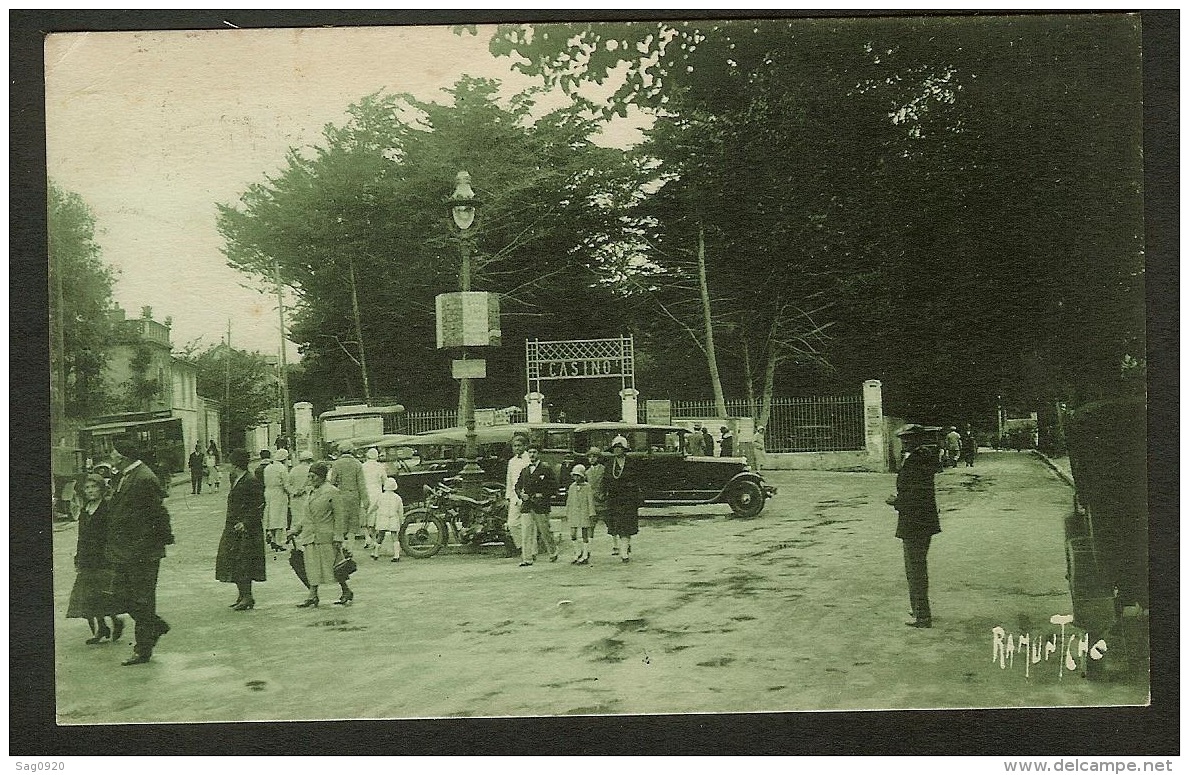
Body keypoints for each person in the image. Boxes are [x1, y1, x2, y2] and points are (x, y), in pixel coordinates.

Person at [105, 435, 174, 665]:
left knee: (142, 599)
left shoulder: (143, 478)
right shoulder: (126, 476)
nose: (110, 456)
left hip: (142, 553)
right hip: (126, 551)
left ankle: (143, 649)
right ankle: (156, 625)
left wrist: (143, 548)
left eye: (113, 452)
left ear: (123, 457)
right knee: (122, 596)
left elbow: (158, 516)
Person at [888, 424, 943, 629]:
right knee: (916, 567)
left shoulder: (916, 460)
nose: (903, 442)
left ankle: (922, 615)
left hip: (915, 521)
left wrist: (895, 501)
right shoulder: (923, 457)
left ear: (913, 440)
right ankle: (919, 608)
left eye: (905, 439)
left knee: (915, 568)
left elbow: (916, 495)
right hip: (922, 521)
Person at [65, 473, 126, 645]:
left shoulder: (107, 508)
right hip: (87, 558)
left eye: (94, 487)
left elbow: (114, 534)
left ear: (101, 489)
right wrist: (78, 556)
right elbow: (81, 536)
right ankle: (102, 627)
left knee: (103, 593)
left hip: (103, 558)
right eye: (87, 488)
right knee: (88, 595)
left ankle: (115, 621)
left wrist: (112, 554)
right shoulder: (84, 510)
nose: (91, 491)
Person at [288, 461, 346, 608]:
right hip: (310, 536)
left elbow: (339, 516)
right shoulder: (311, 492)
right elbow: (306, 515)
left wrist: (338, 536)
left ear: (322, 476)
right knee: (312, 567)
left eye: (314, 476)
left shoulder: (332, 491)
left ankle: (346, 590)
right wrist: (296, 529)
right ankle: (313, 595)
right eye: (309, 476)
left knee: (333, 567)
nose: (311, 479)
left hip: (326, 536)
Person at [215, 448, 266, 611]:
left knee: (244, 561)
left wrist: (246, 522)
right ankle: (241, 594)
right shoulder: (236, 478)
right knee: (232, 560)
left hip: (247, 529)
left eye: (231, 463)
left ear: (236, 465)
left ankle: (247, 596)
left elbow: (258, 504)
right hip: (233, 527)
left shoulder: (250, 480)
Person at [515, 443, 558, 567]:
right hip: (527, 505)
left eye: (534, 452)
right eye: (530, 452)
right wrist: (521, 495)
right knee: (526, 532)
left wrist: (542, 494)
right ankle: (527, 558)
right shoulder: (525, 470)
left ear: (539, 454)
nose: (532, 454)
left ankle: (553, 551)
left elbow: (554, 486)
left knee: (544, 531)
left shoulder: (546, 469)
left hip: (540, 505)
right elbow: (517, 486)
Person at [603, 435, 642, 562]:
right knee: (617, 525)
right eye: (615, 448)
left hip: (628, 499)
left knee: (626, 525)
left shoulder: (632, 463)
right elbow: (606, 480)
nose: (617, 450)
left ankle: (624, 551)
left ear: (624, 449)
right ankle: (623, 547)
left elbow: (637, 480)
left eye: (619, 448)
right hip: (614, 499)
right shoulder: (609, 464)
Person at [329, 445, 367, 547]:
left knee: (341, 520)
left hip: (341, 495)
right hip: (354, 496)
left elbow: (332, 481)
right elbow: (361, 484)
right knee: (353, 522)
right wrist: (366, 500)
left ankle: (341, 547)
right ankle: (350, 547)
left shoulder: (336, 464)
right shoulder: (357, 464)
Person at [503, 434, 531, 557]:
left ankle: (529, 551)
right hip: (514, 498)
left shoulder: (529, 459)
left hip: (526, 496)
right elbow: (509, 480)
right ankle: (522, 547)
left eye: (519, 446)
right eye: (515, 446)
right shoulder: (511, 462)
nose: (517, 448)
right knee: (512, 524)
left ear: (525, 446)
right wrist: (508, 497)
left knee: (528, 525)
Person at [564, 464, 597, 565]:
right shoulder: (572, 487)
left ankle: (585, 554)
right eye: (574, 475)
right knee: (573, 533)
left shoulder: (587, 487)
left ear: (583, 476)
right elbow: (569, 501)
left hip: (584, 512)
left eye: (578, 475)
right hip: (574, 512)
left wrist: (591, 513)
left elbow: (590, 501)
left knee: (585, 534)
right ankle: (577, 552)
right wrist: (567, 512)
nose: (576, 478)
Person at [262, 448, 290, 551]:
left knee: (271, 517)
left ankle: (273, 539)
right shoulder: (282, 468)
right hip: (279, 493)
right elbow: (286, 484)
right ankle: (278, 542)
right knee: (279, 517)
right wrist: (293, 493)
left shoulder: (268, 467)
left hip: (268, 492)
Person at [371, 476, 404, 562]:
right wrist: (401, 520)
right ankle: (396, 555)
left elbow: (375, 506)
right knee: (394, 536)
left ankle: (375, 553)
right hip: (393, 518)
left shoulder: (381, 496)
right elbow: (400, 511)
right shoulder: (397, 498)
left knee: (381, 536)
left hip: (383, 518)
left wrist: (369, 512)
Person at [360, 447, 386, 550]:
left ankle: (367, 537)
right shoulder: (380, 467)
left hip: (365, 493)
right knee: (375, 516)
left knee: (365, 515)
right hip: (377, 493)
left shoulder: (362, 466)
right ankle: (374, 538)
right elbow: (385, 480)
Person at [287, 450, 314, 538]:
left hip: (295, 498)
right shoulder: (311, 469)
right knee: (307, 517)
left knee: (296, 518)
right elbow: (312, 484)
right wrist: (304, 490)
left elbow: (288, 484)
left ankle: (295, 539)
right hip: (307, 496)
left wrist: (294, 492)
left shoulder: (294, 470)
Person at [584, 447, 609, 537]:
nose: (592, 459)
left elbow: (608, 484)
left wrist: (605, 495)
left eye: (594, 457)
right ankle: (588, 547)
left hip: (603, 501)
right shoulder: (586, 472)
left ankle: (616, 544)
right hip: (592, 502)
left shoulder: (604, 470)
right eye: (589, 457)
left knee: (610, 523)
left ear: (599, 458)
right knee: (590, 525)